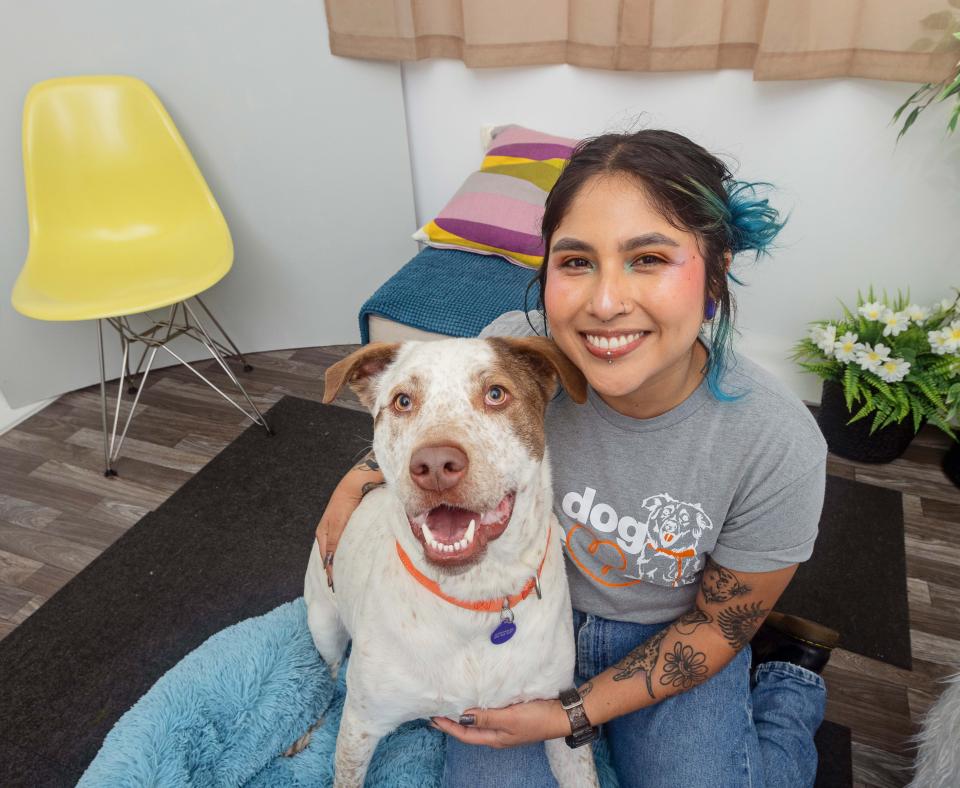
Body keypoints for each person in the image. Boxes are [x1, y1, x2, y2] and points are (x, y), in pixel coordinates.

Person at [315, 129, 837, 788]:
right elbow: (437, 424)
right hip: (521, 614)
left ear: (715, 272)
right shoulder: (513, 356)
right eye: (575, 261)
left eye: (648, 258)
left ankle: (788, 686)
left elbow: (717, 624)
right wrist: (360, 481)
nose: (605, 301)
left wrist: (571, 713)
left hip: (668, 630)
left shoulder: (775, 442)